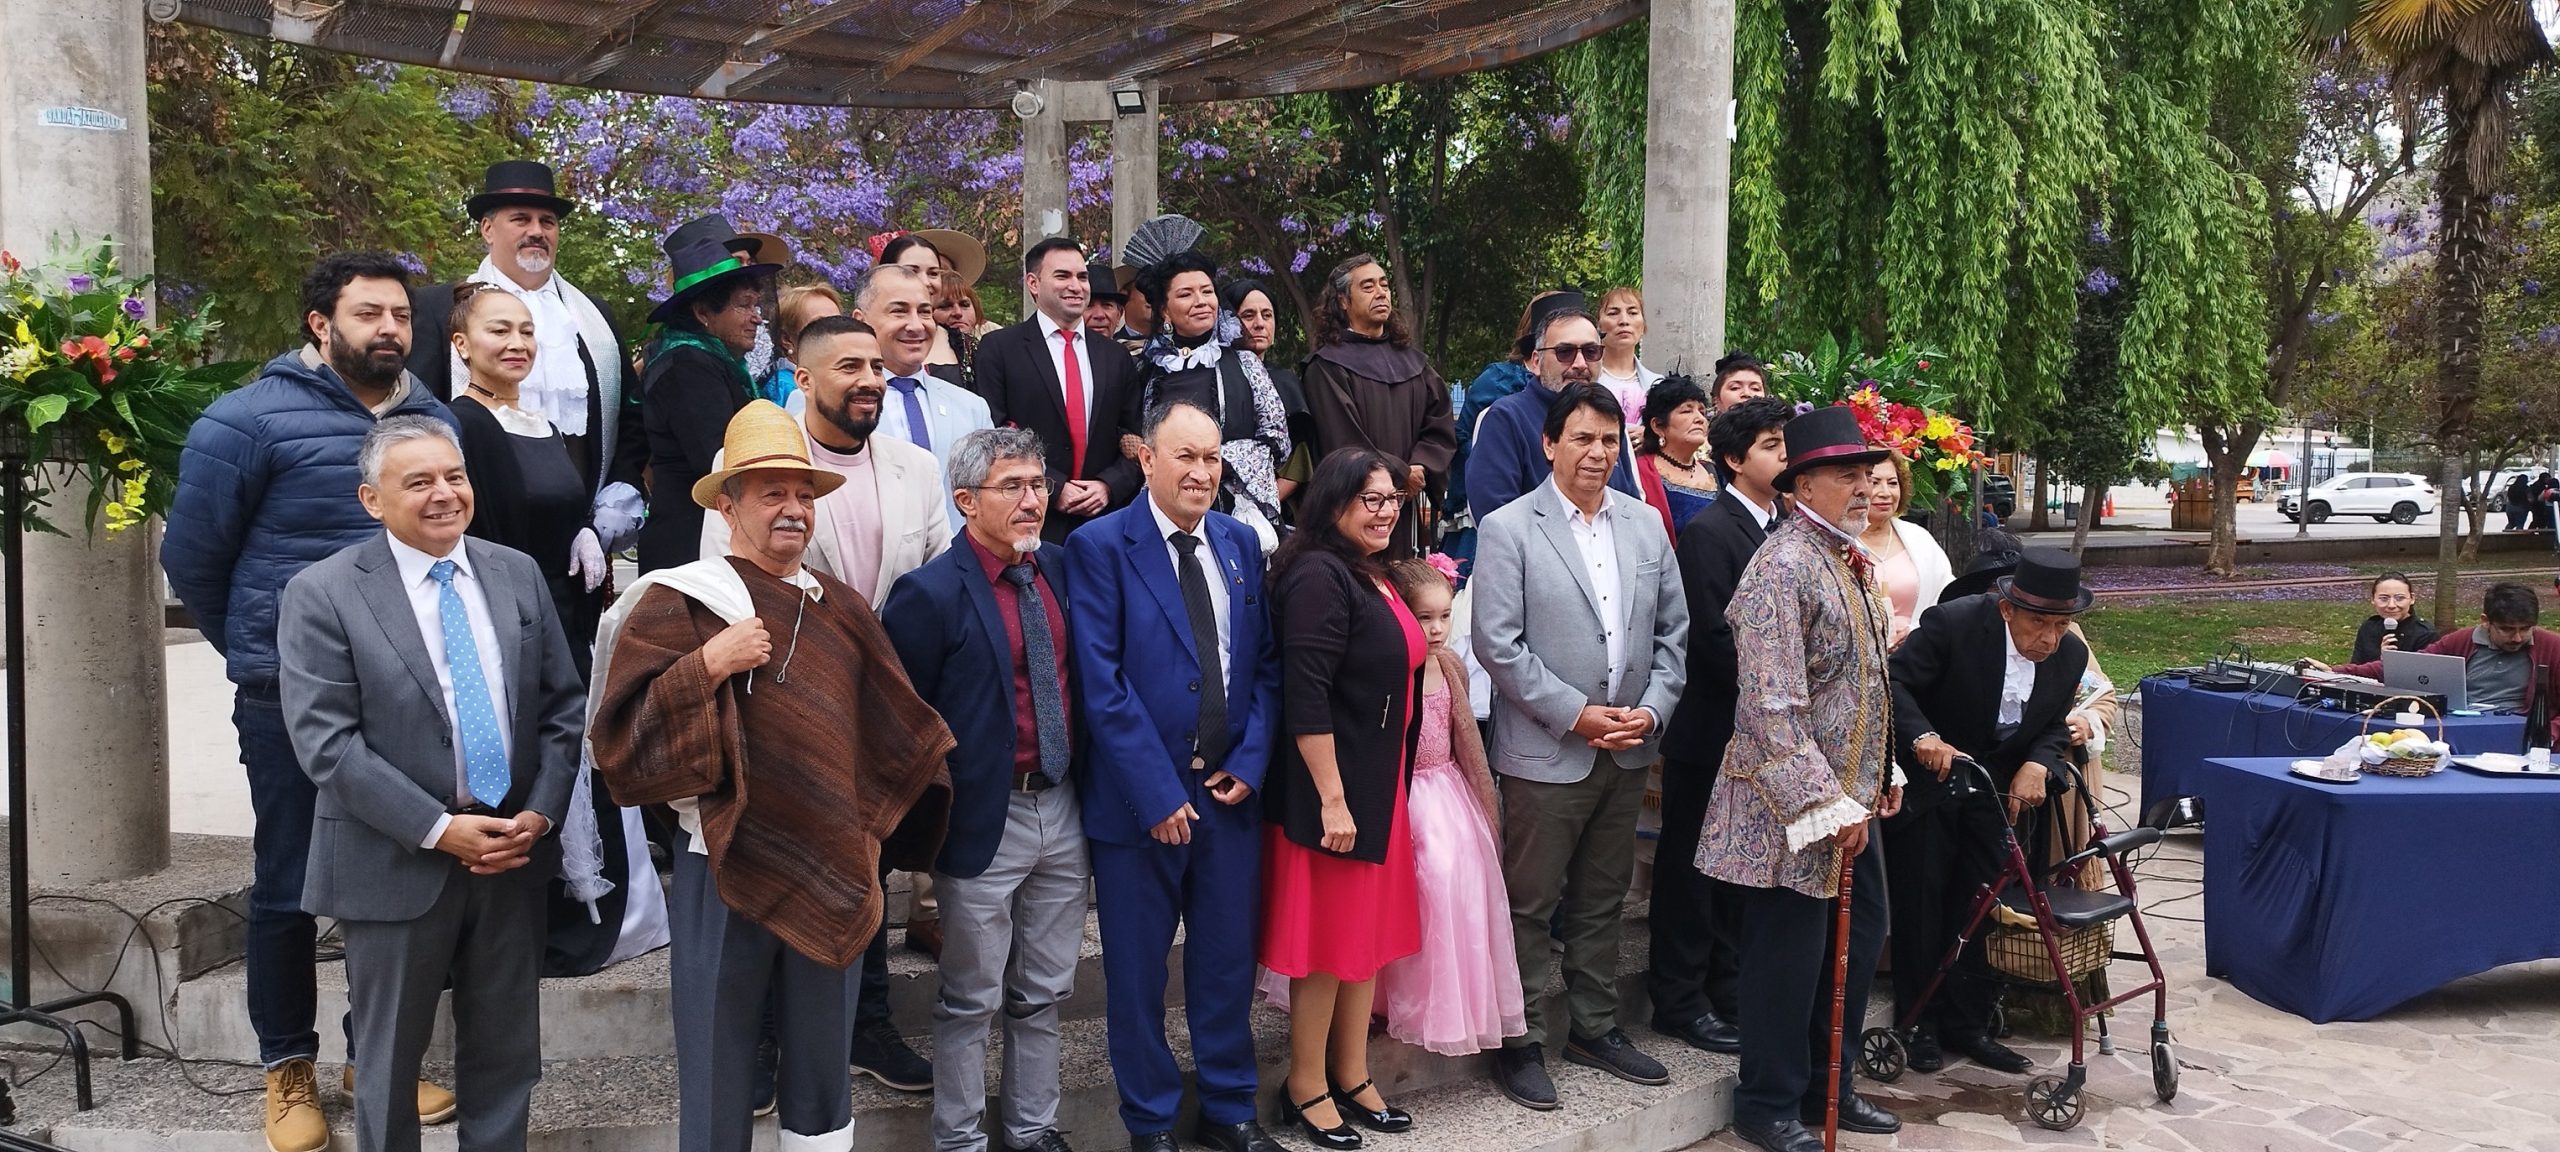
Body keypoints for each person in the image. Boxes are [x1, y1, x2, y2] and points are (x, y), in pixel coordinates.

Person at [589, 402, 954, 1152]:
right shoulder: (677, 601)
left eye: (802, 494)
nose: (793, 509)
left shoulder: (843, 610)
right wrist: (705, 667)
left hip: (833, 863)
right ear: (727, 506)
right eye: (770, 493)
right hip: (719, 866)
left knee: (823, 1077)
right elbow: (619, 744)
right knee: (719, 1069)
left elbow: (889, 738)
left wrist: (869, 842)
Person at [163, 252, 462, 1152]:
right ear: (318, 323)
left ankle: (378, 1055)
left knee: (398, 878)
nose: (390, 331)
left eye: (402, 315)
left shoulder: (431, 418)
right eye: (369, 313)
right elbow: (194, 561)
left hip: (406, 695)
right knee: (290, 881)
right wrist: (268, 653)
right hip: (288, 697)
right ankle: (286, 1066)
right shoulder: (246, 420)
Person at [277, 416, 582, 1152]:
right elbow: (327, 743)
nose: (445, 494)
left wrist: (539, 814)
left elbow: (563, 709)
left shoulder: (515, 572)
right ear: (371, 500)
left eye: (455, 476)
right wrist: (440, 829)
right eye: (419, 482)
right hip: (394, 860)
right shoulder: (324, 592)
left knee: (507, 1053)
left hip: (510, 854)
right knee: (386, 1063)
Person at [693, 320, 950, 1091]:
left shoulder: (916, 467)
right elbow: (721, 583)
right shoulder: (748, 463)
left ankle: (867, 1025)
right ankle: (770, 1041)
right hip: (778, 699)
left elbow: (935, 581)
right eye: (850, 366)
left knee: (864, 864)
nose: (871, 377)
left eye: (877, 365)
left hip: (878, 704)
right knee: (782, 866)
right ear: (803, 380)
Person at [1064, 400, 1284, 1152]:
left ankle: (1229, 1110)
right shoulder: (1100, 546)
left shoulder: (1238, 543)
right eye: (1184, 456)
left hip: (1227, 797)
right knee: (1135, 976)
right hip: (1140, 804)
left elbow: (1262, 669)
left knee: (1225, 965)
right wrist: (1156, 793)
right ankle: (1150, 1122)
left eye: (1213, 458)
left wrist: (1251, 763)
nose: (1201, 472)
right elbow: (1103, 682)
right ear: (1147, 459)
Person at [443, 284, 669, 977]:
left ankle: (594, 913)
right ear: (461, 346)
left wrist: (584, 534)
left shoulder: (541, 421)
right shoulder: (461, 424)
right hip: (503, 623)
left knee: (575, 753)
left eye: (524, 331)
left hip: (566, 615)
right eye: (497, 331)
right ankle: (526, 928)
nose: (515, 343)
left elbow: (555, 509)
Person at [1473, 384, 1688, 1110]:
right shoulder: (1509, 528)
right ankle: (1522, 1037)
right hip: (1546, 750)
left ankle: (1595, 1027)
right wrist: (1577, 715)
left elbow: (1673, 637)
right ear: (1549, 444)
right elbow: (1498, 646)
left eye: (1608, 440)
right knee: (1531, 902)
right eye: (1582, 439)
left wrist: (1651, 714)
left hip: (1628, 747)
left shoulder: (1645, 525)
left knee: (1602, 896)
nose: (1597, 453)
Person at [1697, 404, 1904, 1152]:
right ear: (1802, 486)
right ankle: (1768, 1103)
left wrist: (1887, 770)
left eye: (1867, 473)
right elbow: (1771, 707)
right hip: (1790, 811)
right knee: (1788, 960)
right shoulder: (1781, 567)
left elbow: (1866, 683)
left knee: (1859, 937)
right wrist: (1824, 805)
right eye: (1845, 474)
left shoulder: (1845, 558)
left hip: (1853, 799)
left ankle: (1830, 1084)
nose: (1864, 486)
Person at [877, 428, 1089, 1152]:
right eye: (1013, 487)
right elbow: (903, 720)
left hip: (1061, 808)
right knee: (970, 997)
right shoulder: (927, 594)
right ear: (966, 501)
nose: (1033, 501)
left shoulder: (1062, 569)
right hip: (980, 819)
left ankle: (1033, 1131)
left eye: (1038, 485)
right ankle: (960, 1140)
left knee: (1043, 992)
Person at [1258, 449, 1429, 1147]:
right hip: (1334, 793)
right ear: (1331, 503)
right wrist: (1332, 797)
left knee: (1363, 944)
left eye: (1392, 498)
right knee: (1329, 947)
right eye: (1370, 498)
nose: (1385, 509)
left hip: (1379, 783)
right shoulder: (1317, 577)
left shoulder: (1376, 574)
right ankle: (1306, 1082)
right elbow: (1307, 694)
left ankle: (1352, 1072)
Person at [1885, 548, 2092, 1078]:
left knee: (1979, 905)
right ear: (2007, 611)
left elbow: (2051, 723)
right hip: (1933, 782)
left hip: (1995, 791)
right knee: (1924, 905)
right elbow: (1894, 683)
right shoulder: (1954, 623)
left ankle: (1968, 1023)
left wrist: (2038, 764)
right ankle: (1920, 1023)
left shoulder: (2066, 656)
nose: (2049, 638)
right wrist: (1924, 736)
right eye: (2039, 623)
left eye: (2062, 624)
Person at [1651, 395, 1795, 1060]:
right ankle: (1679, 1001)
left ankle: (1729, 989)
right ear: (1734, 460)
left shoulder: (1780, 529)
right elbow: (1713, 636)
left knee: (1742, 868)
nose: (1784, 456)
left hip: (1761, 735)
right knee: (1692, 871)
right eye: (1770, 445)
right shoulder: (1713, 533)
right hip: (1714, 729)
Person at [405, 165, 644, 546]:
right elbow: (417, 416)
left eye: (547, 221)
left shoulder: (593, 316)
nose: (536, 231)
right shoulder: (438, 307)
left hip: (579, 537)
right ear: (487, 229)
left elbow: (631, 420)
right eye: (520, 219)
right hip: (475, 529)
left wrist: (620, 488)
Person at [1365, 556, 1523, 1057]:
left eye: (1444, 616)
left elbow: (1464, 742)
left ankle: (1440, 999)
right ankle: (1386, 999)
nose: (1435, 629)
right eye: (1422, 617)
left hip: (1449, 796)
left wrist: (1484, 800)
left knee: (1457, 886)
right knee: (1418, 884)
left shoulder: (1451, 666)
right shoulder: (1388, 668)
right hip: (1405, 797)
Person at [977, 237, 1148, 543]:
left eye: (1081, 277)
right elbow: (993, 431)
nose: (1076, 285)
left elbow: (1134, 435)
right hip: (1029, 514)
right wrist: (1052, 485)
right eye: (1062, 276)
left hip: (1104, 521)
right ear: (1033, 283)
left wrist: (1108, 485)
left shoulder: (1115, 356)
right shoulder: (1000, 349)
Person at [635, 237, 781, 573]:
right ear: (703, 313)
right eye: (743, 306)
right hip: (689, 546)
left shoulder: (710, 360)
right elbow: (716, 459)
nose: (756, 318)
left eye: (756, 306)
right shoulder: (688, 364)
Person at [1131, 250, 1292, 549]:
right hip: (1171, 504)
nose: (1201, 301)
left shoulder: (1245, 363)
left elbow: (1277, 439)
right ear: (1165, 310)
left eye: (1207, 291)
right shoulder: (1152, 371)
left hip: (1236, 505)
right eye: (1186, 294)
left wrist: (1213, 462)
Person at [1300, 255, 1457, 555]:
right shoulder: (1327, 367)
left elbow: (1440, 422)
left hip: (1405, 506)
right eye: (1368, 286)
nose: (1381, 292)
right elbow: (1342, 439)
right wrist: (1399, 473)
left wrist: (1420, 467)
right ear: (1343, 301)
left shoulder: (1416, 364)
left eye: (1384, 284)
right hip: (1356, 508)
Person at [1464, 295, 1639, 526]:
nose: (1580, 364)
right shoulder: (1506, 418)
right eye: (1564, 352)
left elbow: (1631, 510)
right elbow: (1495, 519)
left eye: (1591, 351)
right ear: (1536, 361)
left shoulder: (1610, 419)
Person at [2317, 583, 2560, 739]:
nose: (2517, 637)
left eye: (2525, 629)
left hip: (2516, 734)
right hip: (2457, 728)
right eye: (2507, 630)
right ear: (2486, 621)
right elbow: (2405, 666)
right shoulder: (2462, 640)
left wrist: (2548, 733)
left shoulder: (2552, 647)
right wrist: (2333, 671)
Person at [854, 261, 996, 483]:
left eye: (924, 312)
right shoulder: (821, 403)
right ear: (860, 321)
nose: (917, 326)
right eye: (899, 311)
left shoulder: (971, 408)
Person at [1221, 278, 1317, 507]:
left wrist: (1261, 503)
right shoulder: (1211, 376)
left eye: (1267, 315)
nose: (1259, 324)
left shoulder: (1286, 382)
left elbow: (1300, 460)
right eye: (1248, 315)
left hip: (1272, 508)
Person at [1859, 454, 1955, 648]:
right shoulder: (1838, 543)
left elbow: (1948, 597)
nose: (1885, 492)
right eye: (1875, 482)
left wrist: (1917, 630)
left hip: (1917, 657)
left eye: (1893, 483)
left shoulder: (1919, 539)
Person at [1633, 374, 1718, 537]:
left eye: (1702, 411)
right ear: (1658, 425)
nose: (1700, 419)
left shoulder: (1715, 472)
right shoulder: (1639, 473)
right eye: (1687, 411)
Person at [773, 283, 847, 412]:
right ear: (786, 339)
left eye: (839, 322)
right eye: (820, 325)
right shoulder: (781, 388)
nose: (835, 332)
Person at [1593, 287, 1662, 425]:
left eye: (1633, 313)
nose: (1624, 321)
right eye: (1613, 313)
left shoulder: (1658, 384)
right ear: (1598, 325)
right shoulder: (1585, 379)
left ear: (1643, 326)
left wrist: (1649, 434)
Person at [2349, 571, 2439, 663]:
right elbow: (2355, 668)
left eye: (2399, 598)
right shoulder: (2369, 627)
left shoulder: (2425, 634)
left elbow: (2424, 674)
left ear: (2412, 599)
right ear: (2373, 599)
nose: (2391, 605)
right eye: (2384, 598)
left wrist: (2389, 661)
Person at [1084, 255, 1129, 345]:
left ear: (1119, 315)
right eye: (1089, 305)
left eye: (1107, 305)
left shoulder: (1126, 357)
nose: (1099, 315)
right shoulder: (1056, 356)